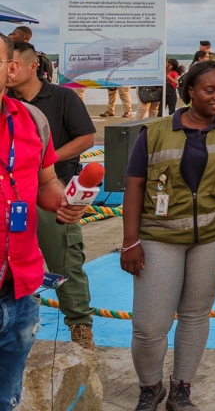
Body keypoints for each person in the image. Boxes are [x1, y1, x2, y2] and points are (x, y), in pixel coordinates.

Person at [120, 60, 215, 411]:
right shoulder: (155, 132)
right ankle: (151, 387)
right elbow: (134, 185)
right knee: (151, 325)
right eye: (210, 89)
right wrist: (131, 241)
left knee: (195, 314)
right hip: (159, 237)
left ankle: (181, 388)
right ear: (190, 92)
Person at [0, 34, 88, 411]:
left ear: (11, 68)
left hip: (21, 289)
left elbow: (47, 180)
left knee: (7, 396)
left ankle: (81, 325)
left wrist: (64, 202)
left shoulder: (32, 120)